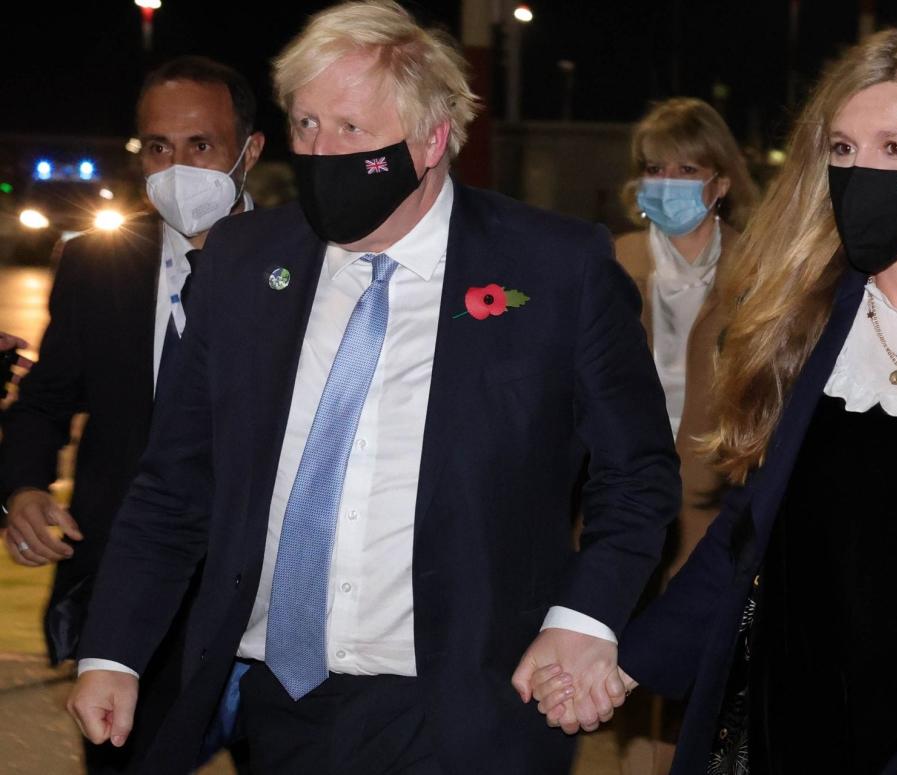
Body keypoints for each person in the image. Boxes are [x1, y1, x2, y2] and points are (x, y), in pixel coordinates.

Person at [65, 3, 678, 774]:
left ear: (432, 139)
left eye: (351, 130)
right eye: (307, 124)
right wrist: (115, 651)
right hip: (280, 706)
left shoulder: (557, 270)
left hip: (471, 708)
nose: (322, 152)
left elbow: (638, 476)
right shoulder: (243, 263)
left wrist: (585, 618)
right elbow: (175, 483)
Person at [534, 29, 897, 774]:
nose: (860, 173)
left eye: (894, 149)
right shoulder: (802, 321)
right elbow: (750, 534)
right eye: (843, 151)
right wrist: (623, 663)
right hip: (794, 715)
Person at [0, 56, 264, 772]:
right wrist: (22, 487)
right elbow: (48, 397)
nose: (176, 166)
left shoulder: (302, 266)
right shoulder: (97, 263)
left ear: (251, 149)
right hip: (127, 597)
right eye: (157, 148)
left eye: (200, 146)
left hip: (263, 609)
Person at [611, 97, 756, 775]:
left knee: (703, 670)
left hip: (718, 491)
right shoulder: (612, 261)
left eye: (686, 166)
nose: (666, 181)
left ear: (721, 180)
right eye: (653, 167)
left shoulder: (759, 271)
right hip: (626, 492)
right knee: (625, 667)